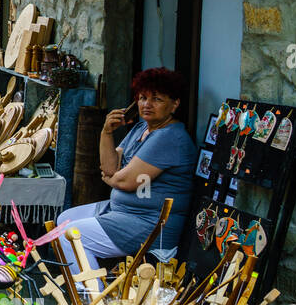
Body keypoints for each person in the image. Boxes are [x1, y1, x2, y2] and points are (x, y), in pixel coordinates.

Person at [56, 67, 197, 285]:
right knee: (64, 220)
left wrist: (113, 180)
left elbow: (123, 181)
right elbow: (110, 167)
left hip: (147, 224)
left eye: (156, 99)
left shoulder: (170, 137)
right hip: (124, 212)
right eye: (142, 98)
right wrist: (106, 132)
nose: (146, 105)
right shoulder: (142, 129)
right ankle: (93, 291)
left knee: (70, 235)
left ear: (174, 104)